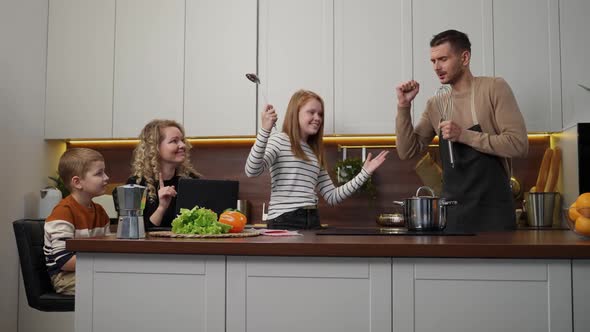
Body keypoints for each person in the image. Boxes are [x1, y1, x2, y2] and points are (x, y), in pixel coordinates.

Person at [395, 29, 528, 232]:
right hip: (454, 216)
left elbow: (518, 145)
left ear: (464, 58)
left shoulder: (494, 89)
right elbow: (407, 151)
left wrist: (464, 135)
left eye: (443, 59)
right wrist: (403, 107)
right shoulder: (436, 104)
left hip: (495, 214)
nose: (436, 67)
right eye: (433, 61)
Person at [245, 89, 389, 229]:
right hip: (284, 220)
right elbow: (252, 170)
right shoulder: (279, 140)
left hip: (312, 219)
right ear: (295, 114)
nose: (318, 118)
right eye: (311, 112)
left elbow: (332, 196)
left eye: (320, 114)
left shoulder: (314, 152)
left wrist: (364, 173)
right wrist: (265, 130)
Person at [44, 148, 111, 295]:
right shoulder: (63, 211)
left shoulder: (100, 211)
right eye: (99, 173)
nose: (106, 177)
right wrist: (107, 263)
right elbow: (65, 261)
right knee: (115, 287)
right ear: (77, 182)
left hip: (92, 270)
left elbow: (107, 248)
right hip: (65, 277)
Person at [127, 119, 200, 230]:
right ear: (155, 148)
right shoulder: (136, 185)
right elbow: (136, 231)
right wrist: (162, 207)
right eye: (174, 141)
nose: (182, 145)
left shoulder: (192, 180)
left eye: (182, 140)